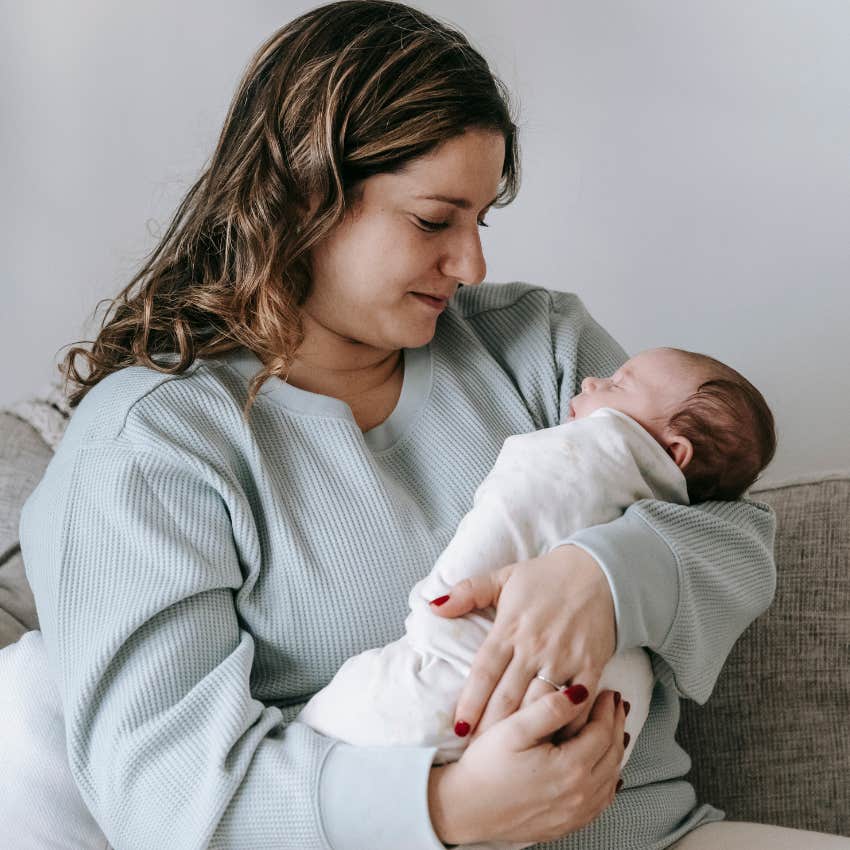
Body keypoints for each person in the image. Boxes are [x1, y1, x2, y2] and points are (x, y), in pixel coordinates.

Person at [7, 2, 845, 848]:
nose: (472, 263)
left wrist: (605, 577)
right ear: (304, 198)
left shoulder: (538, 346)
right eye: (434, 221)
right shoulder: (154, 445)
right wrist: (445, 809)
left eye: (482, 220)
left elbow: (738, 538)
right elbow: (165, 790)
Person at [297, 346, 776, 786]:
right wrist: (455, 809)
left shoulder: (581, 440)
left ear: (675, 453)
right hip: (529, 768)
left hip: (463, 692)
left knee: (332, 716)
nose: (591, 382)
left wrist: (601, 575)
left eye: (617, 384)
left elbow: (749, 539)